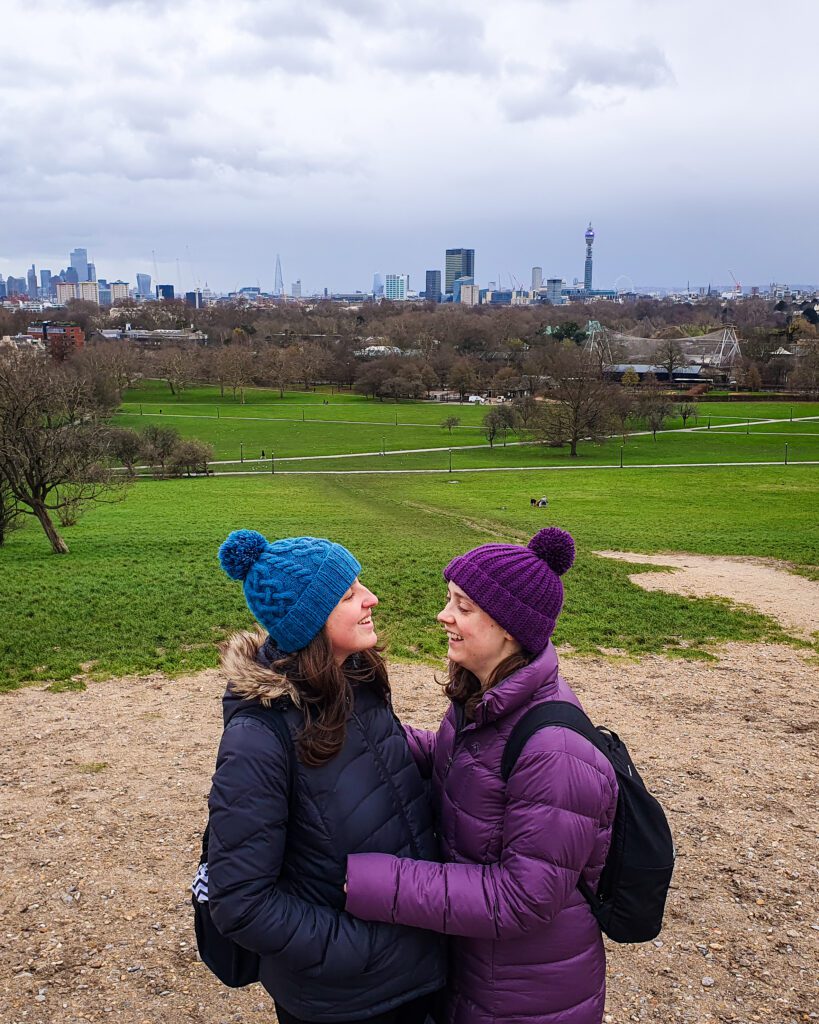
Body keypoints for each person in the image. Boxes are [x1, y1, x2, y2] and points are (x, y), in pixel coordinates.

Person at [345, 528, 618, 1024]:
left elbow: (523, 898)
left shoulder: (555, 752)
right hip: (477, 972)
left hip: (524, 997)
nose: (442, 616)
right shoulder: (487, 697)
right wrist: (369, 733)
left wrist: (373, 882)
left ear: (509, 627)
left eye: (463, 607)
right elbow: (463, 766)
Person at [207, 530, 445, 1024]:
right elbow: (241, 903)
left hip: (418, 971)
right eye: (348, 593)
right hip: (348, 998)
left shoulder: (355, 680)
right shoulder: (259, 737)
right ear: (309, 620)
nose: (371, 598)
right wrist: (363, 951)